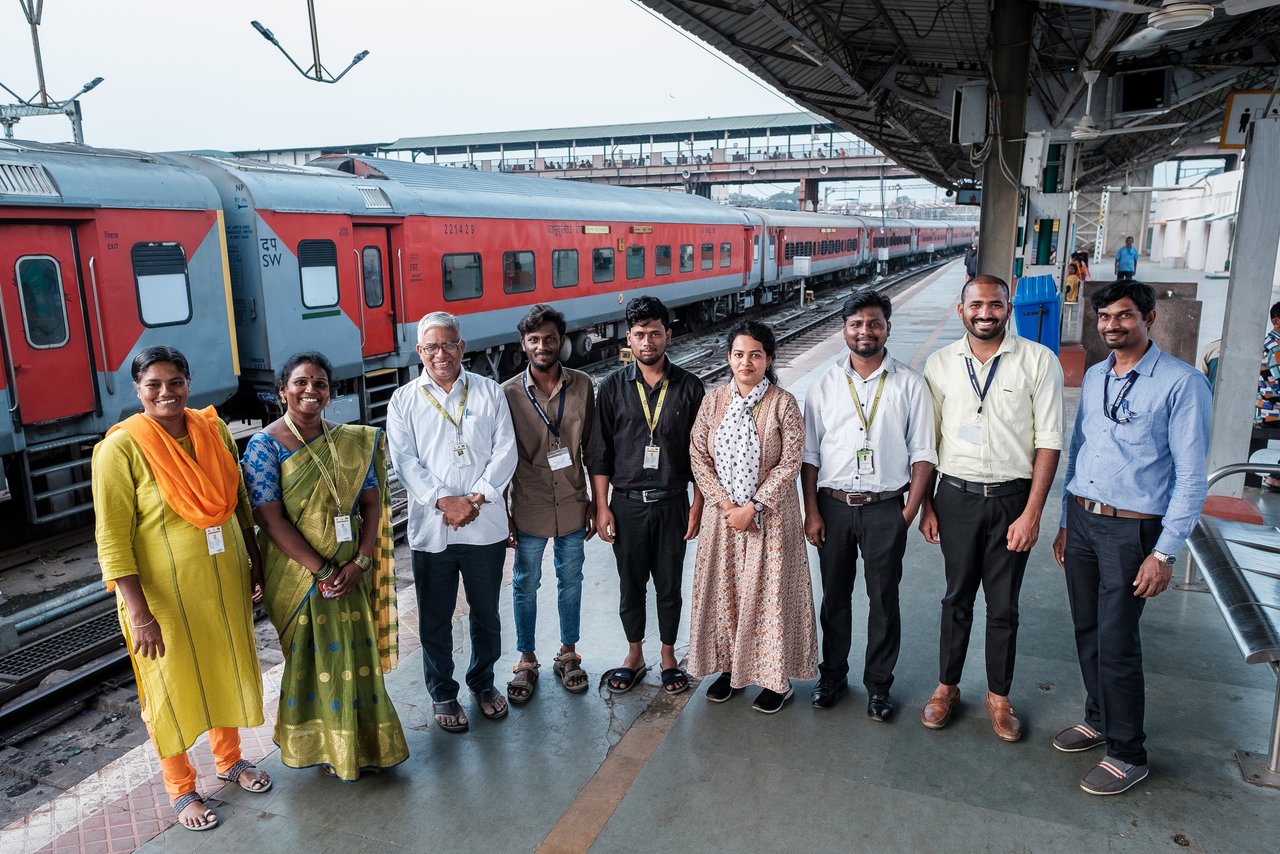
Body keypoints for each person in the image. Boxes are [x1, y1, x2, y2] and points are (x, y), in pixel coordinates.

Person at [92, 346, 269, 832]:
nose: (166, 392)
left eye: (175, 382)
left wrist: (254, 564)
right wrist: (139, 613)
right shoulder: (120, 448)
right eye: (154, 384)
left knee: (222, 666)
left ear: (189, 383)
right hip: (161, 601)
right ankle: (181, 787)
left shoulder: (212, 431)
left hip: (220, 585)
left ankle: (230, 761)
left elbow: (237, 504)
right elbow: (112, 537)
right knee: (168, 688)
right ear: (138, 390)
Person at [1051, 281, 1210, 795]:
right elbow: (1078, 451)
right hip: (1083, 519)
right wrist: (1064, 519)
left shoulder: (1181, 384)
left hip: (1131, 528)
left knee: (1118, 641)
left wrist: (1164, 552)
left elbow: (1191, 477)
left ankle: (1127, 751)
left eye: (1123, 316)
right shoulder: (1097, 375)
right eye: (1104, 317)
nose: (1112, 325)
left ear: (1150, 318)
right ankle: (1098, 719)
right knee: (1087, 629)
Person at [241, 352, 408, 780]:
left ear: (330, 392)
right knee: (309, 661)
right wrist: (322, 570)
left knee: (356, 655)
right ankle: (321, 747)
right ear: (283, 390)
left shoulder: (351, 440)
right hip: (298, 576)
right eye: (300, 382)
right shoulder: (265, 445)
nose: (310, 391)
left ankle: (366, 743)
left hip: (352, 569)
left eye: (319, 383)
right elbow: (268, 516)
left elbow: (372, 503)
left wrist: (361, 560)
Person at [919, 274, 1063, 742]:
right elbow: (928, 442)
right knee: (955, 598)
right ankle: (947, 688)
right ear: (961, 309)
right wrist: (926, 507)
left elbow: (1049, 442)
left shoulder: (1038, 362)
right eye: (976, 304)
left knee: (1003, 605)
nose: (986, 313)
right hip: (955, 496)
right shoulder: (940, 364)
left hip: (1012, 501)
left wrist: (1033, 513)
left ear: (1009, 307)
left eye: (995, 304)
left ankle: (999, 698)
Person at [802, 290, 937, 719]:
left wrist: (908, 512)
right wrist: (812, 511)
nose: (865, 331)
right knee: (835, 599)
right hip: (834, 506)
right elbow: (810, 456)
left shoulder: (910, 383)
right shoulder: (823, 383)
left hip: (885, 509)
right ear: (844, 329)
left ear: (887, 328)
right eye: (856, 324)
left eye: (874, 323)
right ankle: (833, 676)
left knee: (884, 601)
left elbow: (923, 454)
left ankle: (879, 686)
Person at [386, 312, 517, 732]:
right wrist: (445, 501)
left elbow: (505, 452)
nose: (440, 354)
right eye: (431, 347)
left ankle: (482, 682)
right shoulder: (403, 400)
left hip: (485, 525)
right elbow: (404, 461)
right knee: (434, 618)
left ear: (462, 347)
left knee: (486, 614)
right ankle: (443, 691)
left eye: (449, 345)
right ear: (420, 352)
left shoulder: (489, 392)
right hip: (431, 530)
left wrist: (475, 498)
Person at [687, 320, 817, 713]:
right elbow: (698, 454)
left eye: (755, 355)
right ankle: (729, 670)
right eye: (739, 354)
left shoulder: (784, 403)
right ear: (728, 358)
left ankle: (777, 681)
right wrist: (727, 506)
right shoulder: (713, 401)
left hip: (771, 520)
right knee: (725, 593)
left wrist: (754, 506)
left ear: (768, 359)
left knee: (768, 597)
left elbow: (790, 462)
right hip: (722, 520)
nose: (746, 362)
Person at [591, 296, 704, 696]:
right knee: (631, 583)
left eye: (655, 333)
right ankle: (634, 654)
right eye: (640, 334)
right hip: (626, 505)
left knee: (669, 584)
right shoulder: (611, 387)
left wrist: (698, 503)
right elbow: (600, 450)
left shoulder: (690, 387)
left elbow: (700, 454)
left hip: (673, 501)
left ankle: (669, 656)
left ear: (668, 335)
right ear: (629, 338)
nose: (648, 341)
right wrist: (601, 505)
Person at [502, 305, 595, 701]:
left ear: (562, 341)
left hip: (574, 501)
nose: (543, 345)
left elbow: (593, 448)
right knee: (525, 584)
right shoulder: (506, 393)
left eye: (550, 338)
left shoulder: (584, 384)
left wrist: (597, 502)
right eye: (535, 340)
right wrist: (502, 512)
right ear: (524, 345)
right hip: (529, 504)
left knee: (570, 581)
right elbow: (501, 458)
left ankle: (568, 653)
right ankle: (526, 659)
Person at [1255, 303, 1280, 490]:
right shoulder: (1275, 347)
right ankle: (1276, 476)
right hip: (1270, 412)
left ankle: (1276, 475)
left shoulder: (1269, 343)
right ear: (1276, 322)